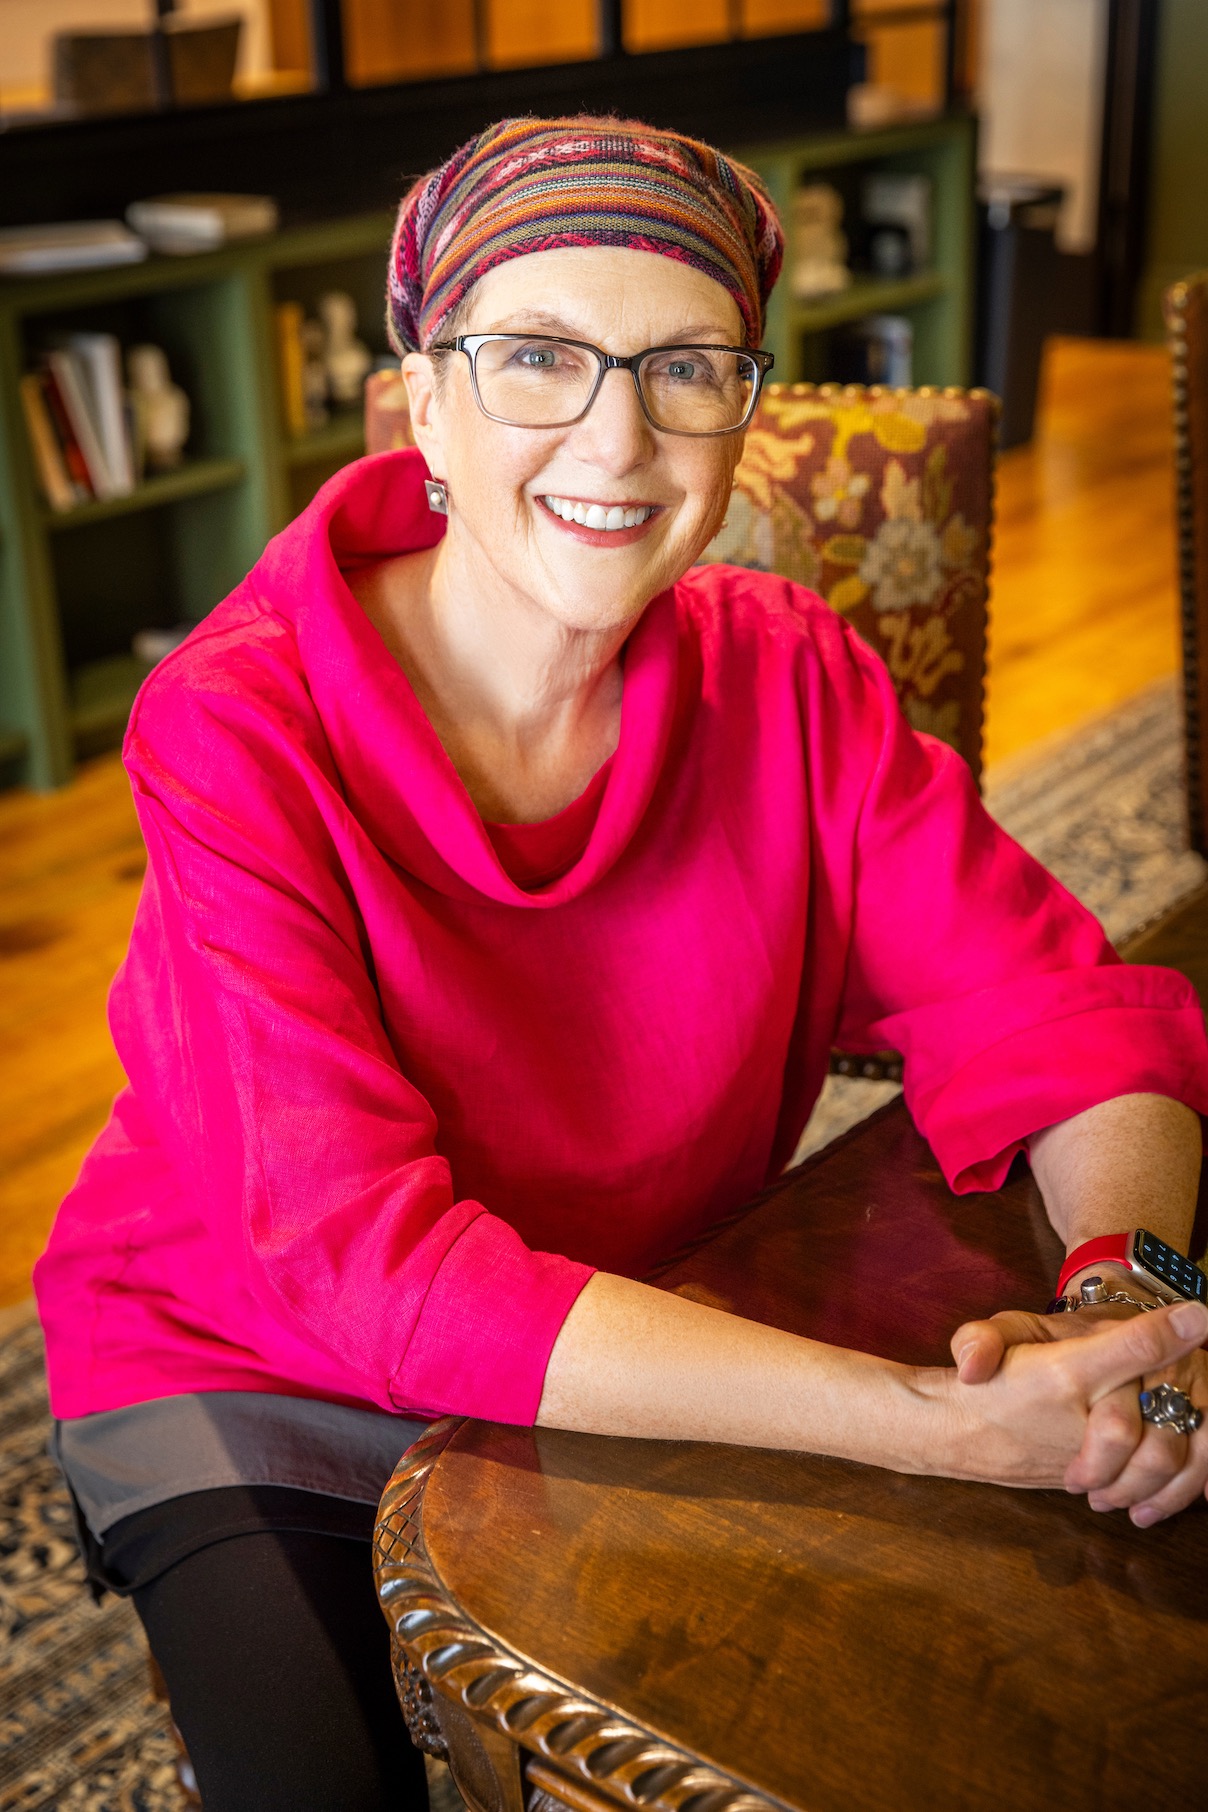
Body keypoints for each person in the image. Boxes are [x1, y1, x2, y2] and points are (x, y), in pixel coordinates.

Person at [35, 116, 1208, 1811]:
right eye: (536, 358)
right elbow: (370, 1274)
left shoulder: (790, 672)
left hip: (635, 1327)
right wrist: (931, 1423)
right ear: (425, 398)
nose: (619, 435)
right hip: (246, 1351)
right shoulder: (236, 723)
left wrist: (1126, 1291)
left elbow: (1061, 1011)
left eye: (684, 368)